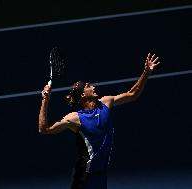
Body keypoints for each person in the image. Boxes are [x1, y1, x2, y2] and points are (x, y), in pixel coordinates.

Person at [38, 53, 160, 189]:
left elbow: (133, 94)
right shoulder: (75, 118)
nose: (93, 87)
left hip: (101, 175)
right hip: (83, 177)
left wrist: (146, 72)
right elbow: (44, 129)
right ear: (83, 94)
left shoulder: (106, 103)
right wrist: (45, 100)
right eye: (89, 86)